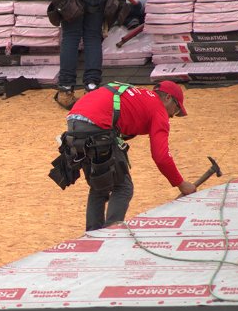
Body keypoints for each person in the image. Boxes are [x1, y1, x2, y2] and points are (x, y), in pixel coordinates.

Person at [53, 81, 196, 232]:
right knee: (122, 187)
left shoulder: (140, 96)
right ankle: (111, 234)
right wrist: (181, 184)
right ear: (168, 97)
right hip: (98, 125)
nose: (173, 115)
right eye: (176, 109)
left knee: (99, 185)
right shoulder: (158, 109)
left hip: (74, 123)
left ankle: (92, 237)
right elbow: (161, 156)